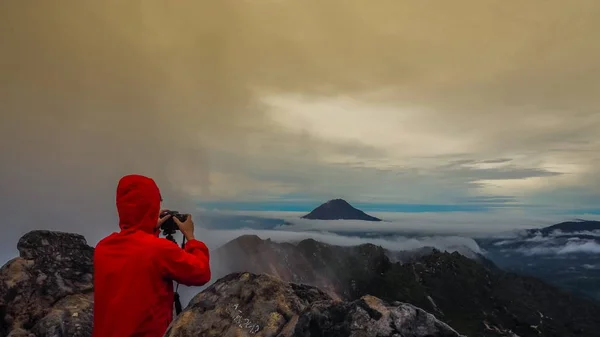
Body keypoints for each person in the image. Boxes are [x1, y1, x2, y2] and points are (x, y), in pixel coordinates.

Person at [93, 174, 211, 337]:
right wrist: (190, 237)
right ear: (151, 204)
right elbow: (201, 272)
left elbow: (138, 253)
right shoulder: (158, 250)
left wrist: (147, 228)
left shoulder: (103, 248)